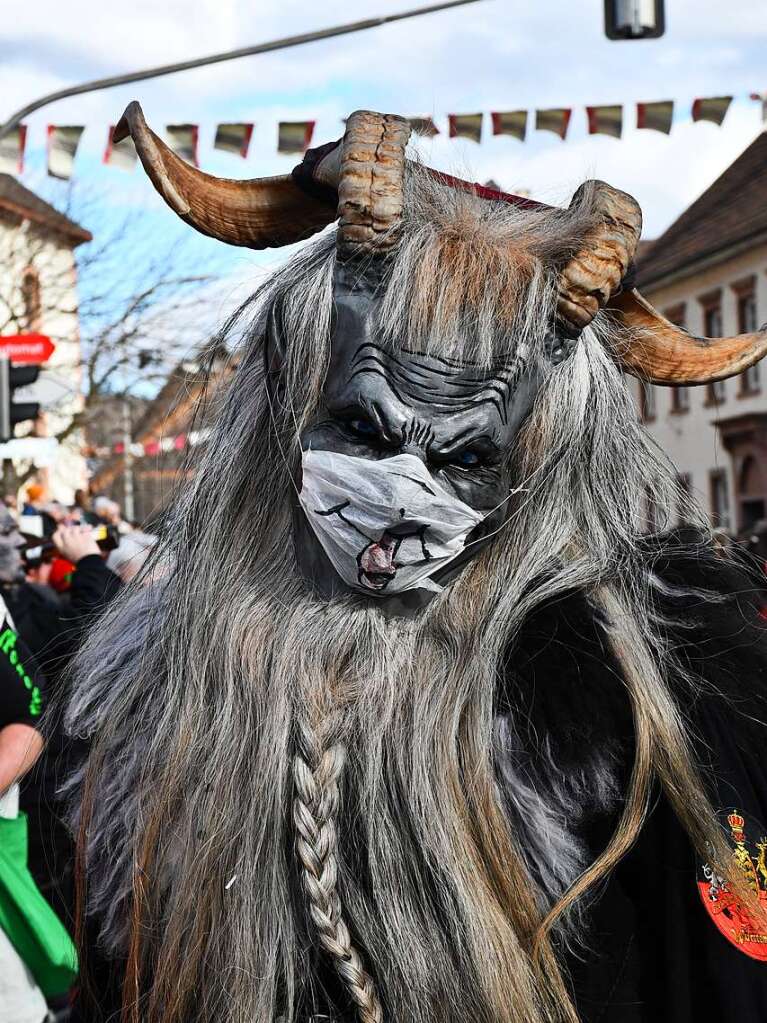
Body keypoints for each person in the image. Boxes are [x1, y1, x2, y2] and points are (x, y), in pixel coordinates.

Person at [65, 108, 767, 1023]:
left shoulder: (642, 689)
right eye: (362, 428)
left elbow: (724, 981)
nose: (400, 493)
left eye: (464, 458)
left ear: (532, 465)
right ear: (288, 408)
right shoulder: (142, 687)